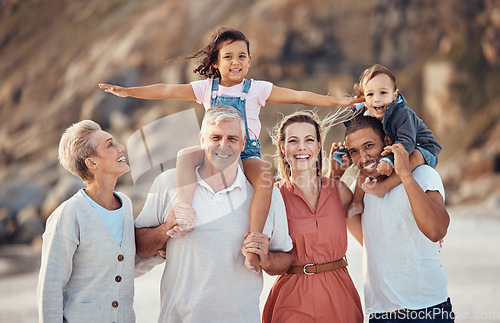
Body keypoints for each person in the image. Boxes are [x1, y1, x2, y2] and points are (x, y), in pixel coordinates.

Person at [99, 27, 361, 273]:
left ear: (249, 61)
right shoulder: (206, 88)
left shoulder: (257, 89)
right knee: (184, 156)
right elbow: (166, 90)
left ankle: (253, 241)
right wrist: (128, 92)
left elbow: (300, 96)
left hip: (246, 152)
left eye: (242, 56)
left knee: (266, 177)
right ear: (216, 62)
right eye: (228, 56)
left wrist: (340, 101)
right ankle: (184, 214)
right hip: (213, 151)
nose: (235, 62)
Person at [133, 105, 294, 322]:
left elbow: (285, 260)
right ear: (202, 139)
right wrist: (165, 228)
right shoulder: (168, 183)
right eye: (215, 137)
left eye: (232, 139)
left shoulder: (268, 195)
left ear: (244, 142)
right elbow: (139, 248)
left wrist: (265, 257)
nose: (223, 146)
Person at [332, 115, 454, 322]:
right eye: (354, 151)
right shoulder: (360, 192)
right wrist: (334, 175)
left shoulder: (422, 174)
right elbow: (369, 242)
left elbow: (436, 231)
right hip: (380, 313)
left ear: (387, 142)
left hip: (428, 310)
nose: (363, 158)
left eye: (369, 146)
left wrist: (405, 175)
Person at [262, 111, 363, 322]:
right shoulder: (273, 196)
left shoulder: (340, 190)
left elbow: (369, 237)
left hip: (339, 294)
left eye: (309, 140)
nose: (301, 147)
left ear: (318, 146)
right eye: (293, 141)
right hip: (292, 298)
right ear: (283, 147)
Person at [37, 120, 135, 322]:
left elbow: (124, 266)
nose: (121, 147)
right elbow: (50, 288)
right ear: (92, 163)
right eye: (110, 145)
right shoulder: (69, 214)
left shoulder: (125, 204)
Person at [341, 64, 442, 218]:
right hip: (394, 148)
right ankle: (357, 202)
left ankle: (384, 187)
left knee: (414, 156)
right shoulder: (367, 111)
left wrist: (389, 160)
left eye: (383, 92)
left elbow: (407, 142)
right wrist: (346, 151)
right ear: (364, 98)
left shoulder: (403, 114)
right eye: (370, 94)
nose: (377, 99)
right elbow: (356, 132)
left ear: (394, 95)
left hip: (421, 147)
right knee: (365, 158)